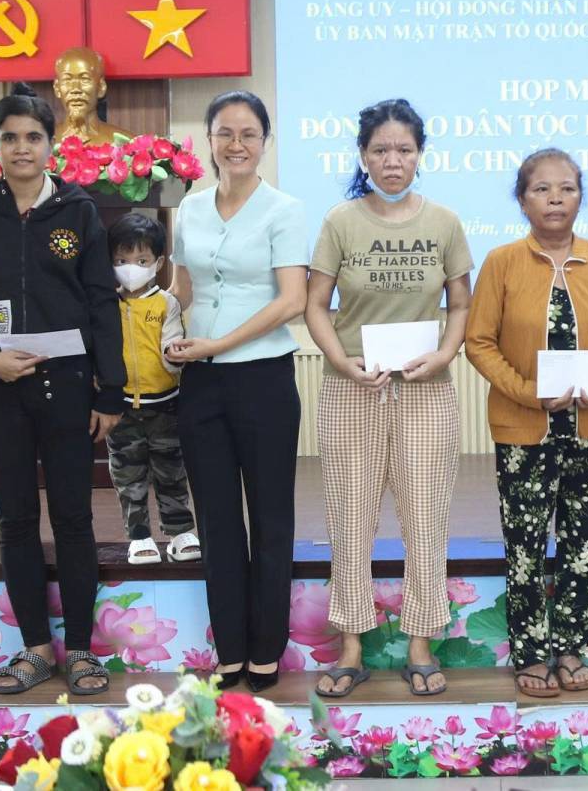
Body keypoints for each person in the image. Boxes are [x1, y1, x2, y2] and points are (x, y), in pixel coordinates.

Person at [0, 84, 125, 696]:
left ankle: (82, 650)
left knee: (73, 519)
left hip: (67, 389)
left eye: (33, 137)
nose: (21, 148)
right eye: (9, 137)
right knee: (14, 520)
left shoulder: (79, 213)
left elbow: (101, 301)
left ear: (50, 145)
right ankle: (36, 648)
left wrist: (110, 390)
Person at [306, 99, 472, 699]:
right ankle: (352, 647)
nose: (393, 160)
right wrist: (340, 362)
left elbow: (461, 303)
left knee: (425, 517)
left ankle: (421, 644)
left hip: (425, 390)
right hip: (353, 388)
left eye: (404, 149)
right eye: (381, 150)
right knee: (350, 517)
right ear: (363, 156)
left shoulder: (445, 222)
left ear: (420, 155)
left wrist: (445, 354)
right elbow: (315, 305)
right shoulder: (340, 222)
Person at [466, 148, 588, 697]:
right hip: (524, 430)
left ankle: (571, 648)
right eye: (541, 189)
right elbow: (479, 342)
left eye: (567, 188)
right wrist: (528, 393)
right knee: (524, 546)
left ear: (580, 198)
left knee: (583, 542)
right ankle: (529, 653)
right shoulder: (502, 262)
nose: (555, 199)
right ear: (522, 200)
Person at [163, 90, 308, 693]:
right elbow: (183, 288)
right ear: (209, 141)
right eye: (225, 133)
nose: (237, 144)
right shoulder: (190, 208)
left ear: (264, 142)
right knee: (217, 521)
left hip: (263, 378)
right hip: (200, 382)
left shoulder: (285, 210)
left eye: (249, 134)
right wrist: (163, 329)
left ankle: (266, 648)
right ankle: (230, 649)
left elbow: (291, 300)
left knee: (270, 517)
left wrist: (218, 344)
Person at [104, 213, 194, 567]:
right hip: (122, 407)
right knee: (128, 476)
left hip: (165, 405)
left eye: (141, 260)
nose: (131, 268)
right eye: (121, 260)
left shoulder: (166, 303)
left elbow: (172, 340)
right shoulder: (107, 304)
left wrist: (174, 356)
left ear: (157, 263)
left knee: (171, 471)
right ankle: (139, 536)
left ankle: (180, 532)